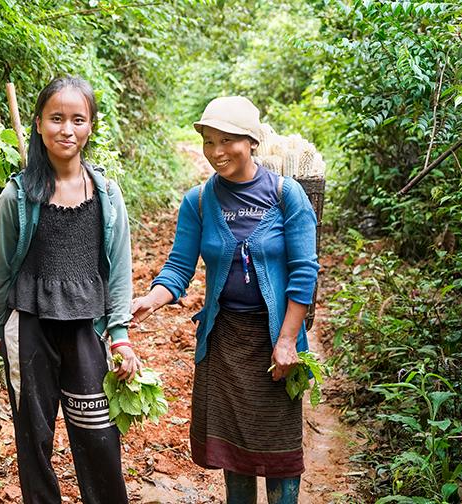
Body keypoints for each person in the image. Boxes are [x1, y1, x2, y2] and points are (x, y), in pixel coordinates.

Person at [131, 96, 319, 503]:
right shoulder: (198, 201)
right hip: (223, 342)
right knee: (234, 452)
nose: (216, 152)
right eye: (209, 141)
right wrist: (153, 299)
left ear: (251, 141)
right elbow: (179, 267)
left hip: (275, 343)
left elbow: (305, 272)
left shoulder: (287, 197)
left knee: (279, 449)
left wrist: (288, 340)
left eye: (227, 141)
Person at [0, 76, 140, 504]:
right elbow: (1, 270)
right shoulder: (17, 198)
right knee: (34, 437)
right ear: (38, 124)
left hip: (86, 327)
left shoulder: (107, 195)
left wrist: (121, 334)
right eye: (56, 118)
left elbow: (118, 270)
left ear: (91, 126)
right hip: (30, 327)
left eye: (78, 119)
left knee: (98, 434)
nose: (67, 129)